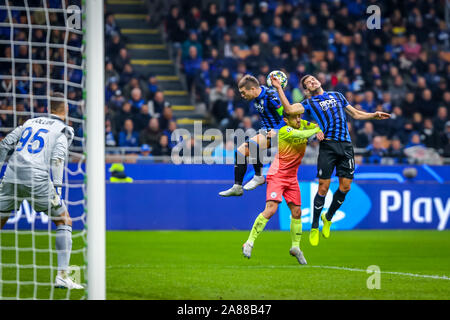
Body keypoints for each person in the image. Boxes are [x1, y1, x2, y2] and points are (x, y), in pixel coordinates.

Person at [271, 75, 390, 246]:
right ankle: (314, 226)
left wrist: (373, 115)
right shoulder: (309, 103)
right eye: (308, 83)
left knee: (345, 187)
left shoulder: (338, 95)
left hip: (346, 146)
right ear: (306, 90)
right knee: (323, 187)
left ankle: (328, 218)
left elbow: (355, 114)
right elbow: (289, 110)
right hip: (328, 147)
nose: (312, 81)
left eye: (313, 79)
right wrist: (279, 88)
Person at [0, 92, 83, 289]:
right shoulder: (63, 130)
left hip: (11, 174)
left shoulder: (30, 122)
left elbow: (5, 145)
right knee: (64, 220)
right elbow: (57, 159)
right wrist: (58, 189)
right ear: (66, 109)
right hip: (36, 178)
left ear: (48, 109)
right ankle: (63, 276)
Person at [242, 106, 323, 264]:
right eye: (295, 117)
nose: (298, 120)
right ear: (286, 120)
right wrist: (315, 130)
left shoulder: (302, 124)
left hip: (292, 177)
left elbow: (316, 127)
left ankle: (296, 247)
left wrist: (318, 128)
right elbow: (305, 134)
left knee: (297, 212)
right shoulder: (286, 130)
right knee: (271, 210)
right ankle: (249, 242)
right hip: (277, 175)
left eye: (300, 117)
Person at [219, 75, 296, 197]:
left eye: (244, 93)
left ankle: (258, 176)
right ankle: (237, 187)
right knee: (239, 152)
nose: (243, 96)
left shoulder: (271, 97)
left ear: (253, 89)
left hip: (282, 132)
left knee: (253, 145)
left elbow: (288, 115)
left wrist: (276, 129)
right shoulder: (256, 97)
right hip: (266, 131)